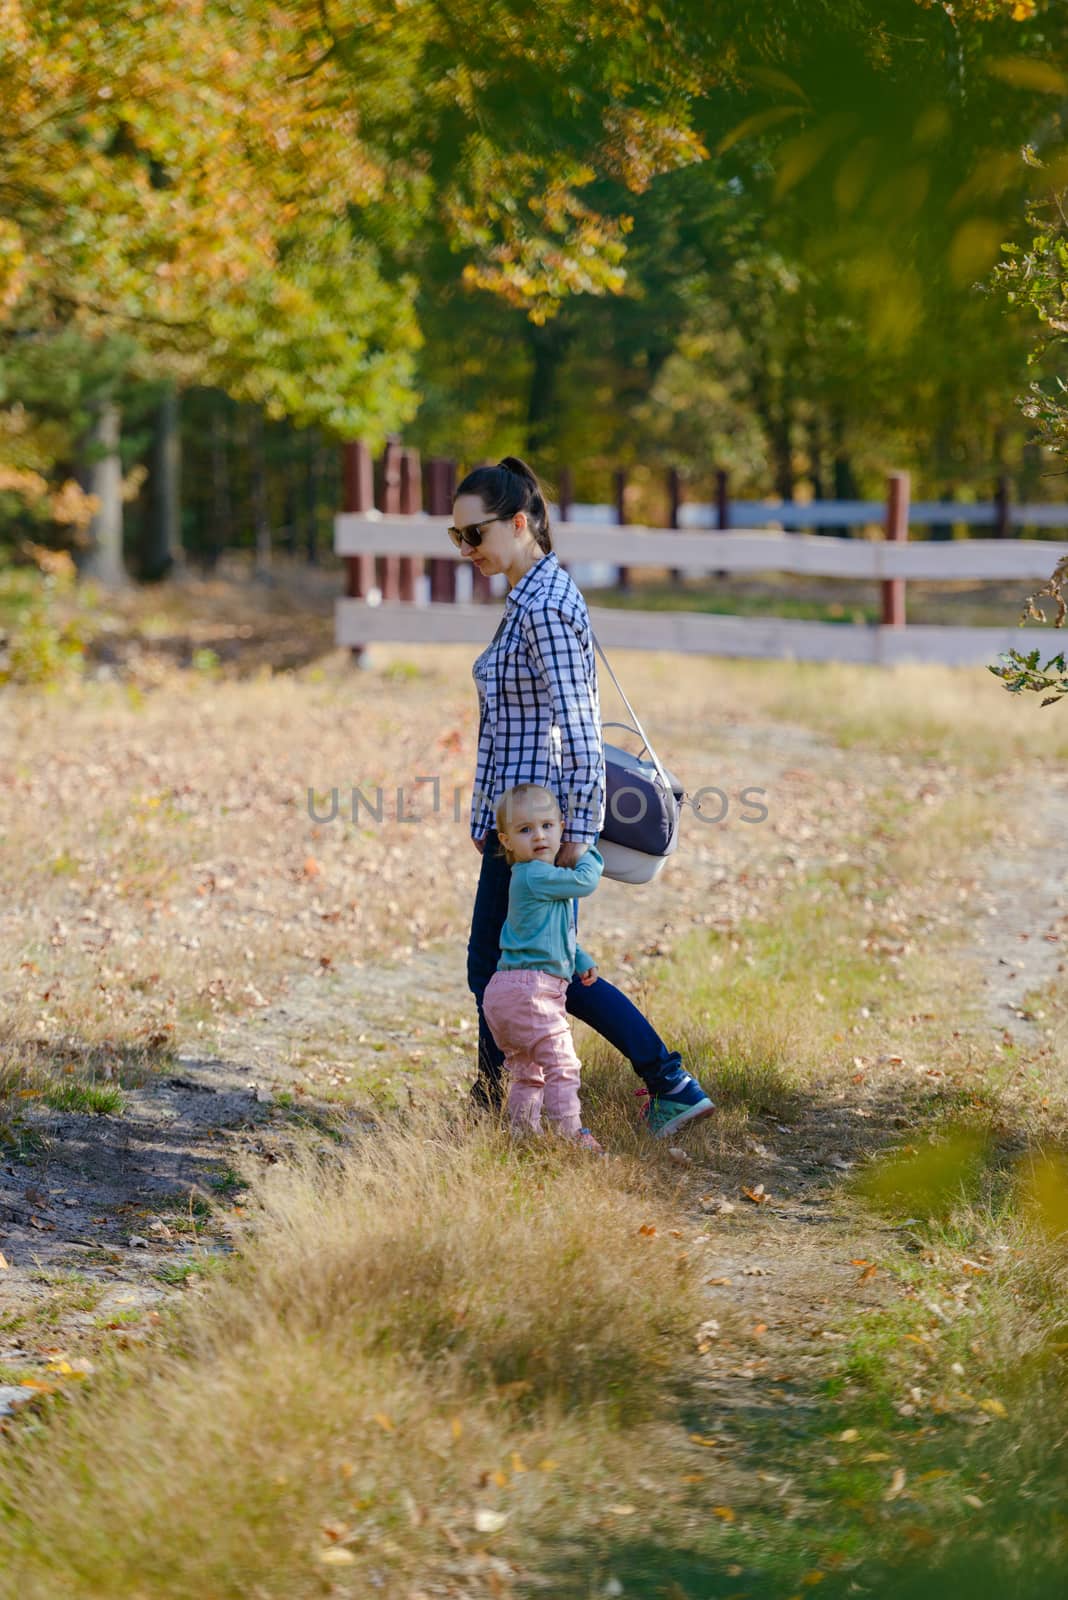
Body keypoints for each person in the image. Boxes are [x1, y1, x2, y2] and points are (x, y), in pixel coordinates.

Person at [455, 455, 715, 1138]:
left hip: (542, 830)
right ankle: (511, 1106)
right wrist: (488, 817)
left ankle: (660, 1082)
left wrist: (578, 834)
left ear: (518, 522)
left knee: (521, 972)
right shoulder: (530, 599)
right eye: (457, 539)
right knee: (522, 971)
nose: (467, 551)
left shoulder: (545, 605)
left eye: (474, 534)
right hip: (517, 826)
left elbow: (577, 724)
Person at [482, 783, 605, 1151]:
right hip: (530, 990)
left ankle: (522, 1137)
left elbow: (551, 932)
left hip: (510, 990)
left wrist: (579, 959)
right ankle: (570, 1135)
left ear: (560, 827)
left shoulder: (538, 880)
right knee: (562, 1064)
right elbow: (585, 881)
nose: (539, 836)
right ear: (506, 841)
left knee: (528, 1074)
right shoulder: (533, 874)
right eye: (525, 830)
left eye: (547, 826)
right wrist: (590, 852)